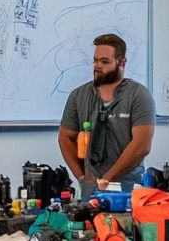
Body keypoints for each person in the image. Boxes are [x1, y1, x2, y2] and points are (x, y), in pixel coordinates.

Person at [58, 33, 156, 195]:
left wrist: (106, 180)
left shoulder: (139, 95)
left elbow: (141, 146)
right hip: (90, 190)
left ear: (121, 62)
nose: (97, 66)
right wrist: (82, 177)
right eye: (95, 60)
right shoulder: (78, 95)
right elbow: (65, 137)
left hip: (126, 190)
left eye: (104, 62)